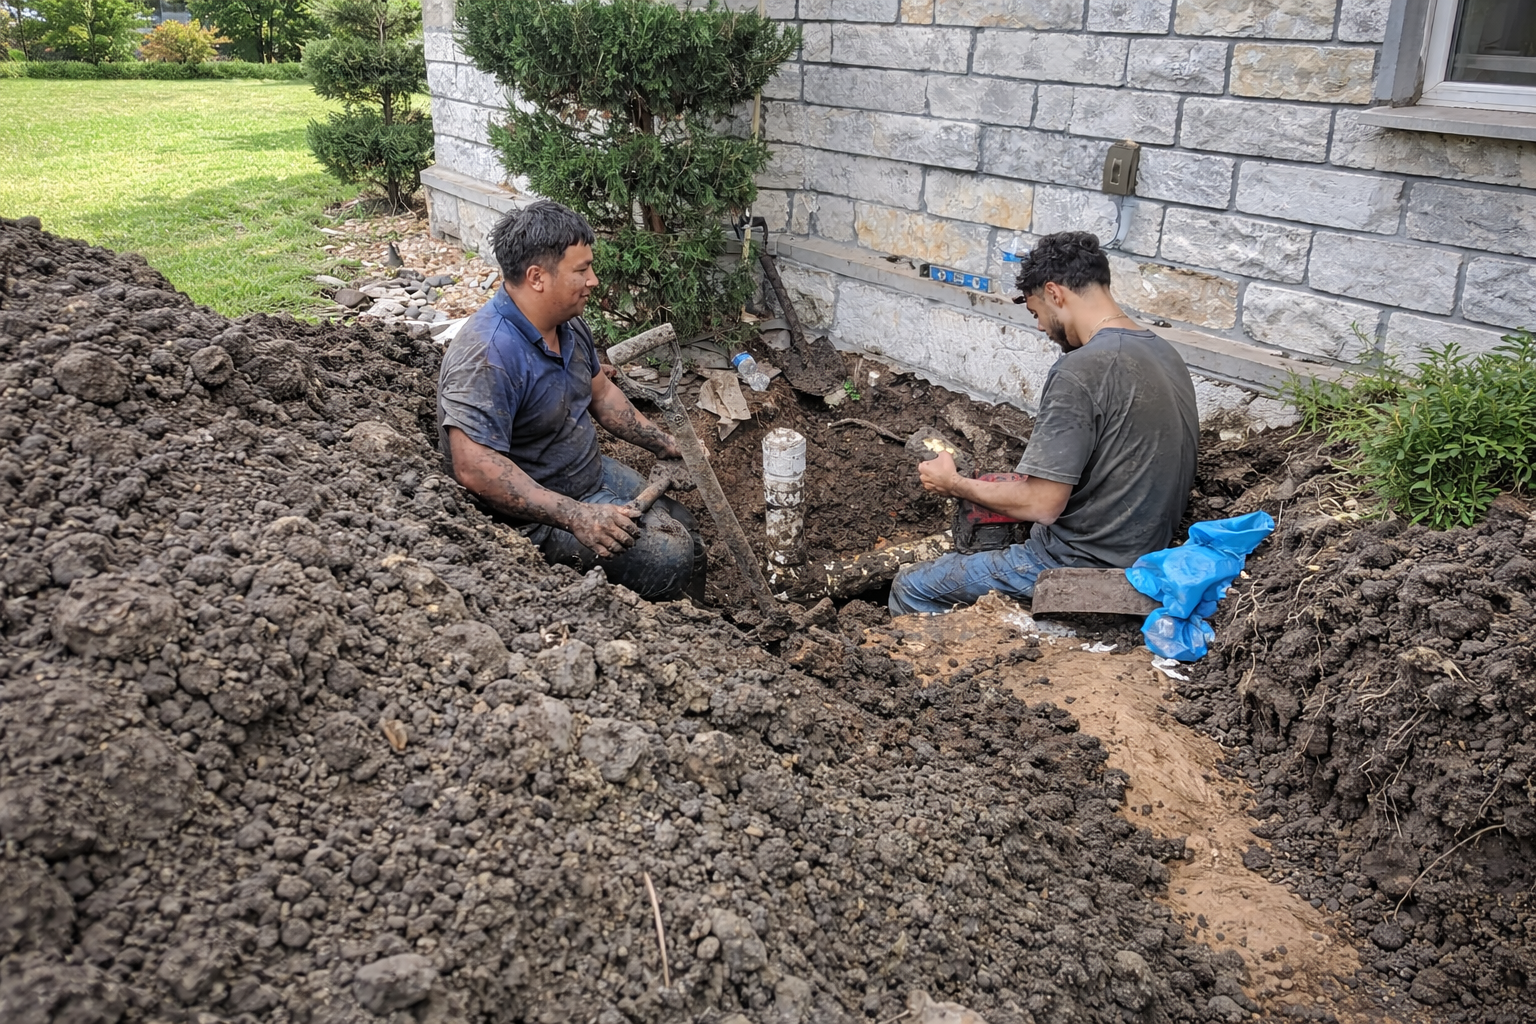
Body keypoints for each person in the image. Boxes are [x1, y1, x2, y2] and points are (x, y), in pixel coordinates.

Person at [888, 231, 1199, 616]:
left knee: (911, 588)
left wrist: (954, 484)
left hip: (1082, 563)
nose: (1040, 327)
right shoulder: (1163, 352)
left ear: (1055, 293)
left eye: (1036, 313)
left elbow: (1043, 505)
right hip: (1143, 549)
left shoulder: (1080, 369)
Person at [436, 200, 706, 602]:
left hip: (587, 474)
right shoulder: (487, 355)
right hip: (534, 518)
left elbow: (600, 393)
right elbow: (474, 468)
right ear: (537, 277)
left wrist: (666, 442)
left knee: (684, 524)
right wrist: (576, 515)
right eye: (582, 270)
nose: (593, 280)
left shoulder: (568, 325)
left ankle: (697, 615)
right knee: (673, 555)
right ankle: (657, 628)